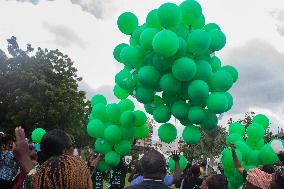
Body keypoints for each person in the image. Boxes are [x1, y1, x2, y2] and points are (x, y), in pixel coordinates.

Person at [13, 127, 92, 189]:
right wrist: (24, 158)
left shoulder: (40, 173)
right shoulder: (74, 174)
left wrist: (24, 158)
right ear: (65, 152)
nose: (73, 149)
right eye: (71, 146)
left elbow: (35, 179)